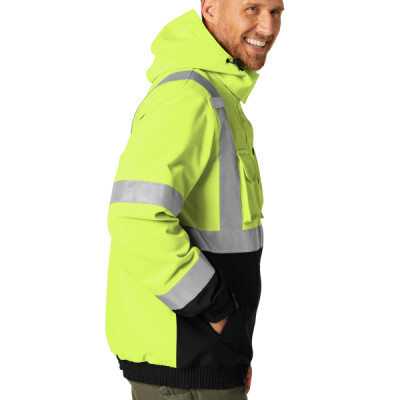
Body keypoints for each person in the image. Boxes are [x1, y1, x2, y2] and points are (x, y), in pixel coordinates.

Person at [105, 0, 284, 398]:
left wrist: (232, 349)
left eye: (276, 11)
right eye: (252, 8)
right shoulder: (188, 96)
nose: (268, 27)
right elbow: (136, 220)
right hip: (184, 362)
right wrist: (216, 312)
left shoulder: (218, 96)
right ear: (210, 9)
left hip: (207, 358)